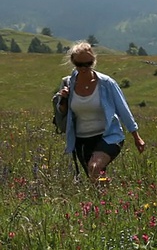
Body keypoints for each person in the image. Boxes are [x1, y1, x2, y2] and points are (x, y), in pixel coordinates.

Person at [56, 41, 145, 183]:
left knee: (94, 167)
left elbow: (123, 109)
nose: (84, 68)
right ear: (73, 62)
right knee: (94, 178)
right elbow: (61, 111)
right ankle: (107, 201)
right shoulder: (68, 83)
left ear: (94, 61)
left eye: (88, 63)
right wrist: (64, 99)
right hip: (81, 139)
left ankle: (108, 200)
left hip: (108, 136)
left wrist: (136, 136)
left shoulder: (107, 83)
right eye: (80, 64)